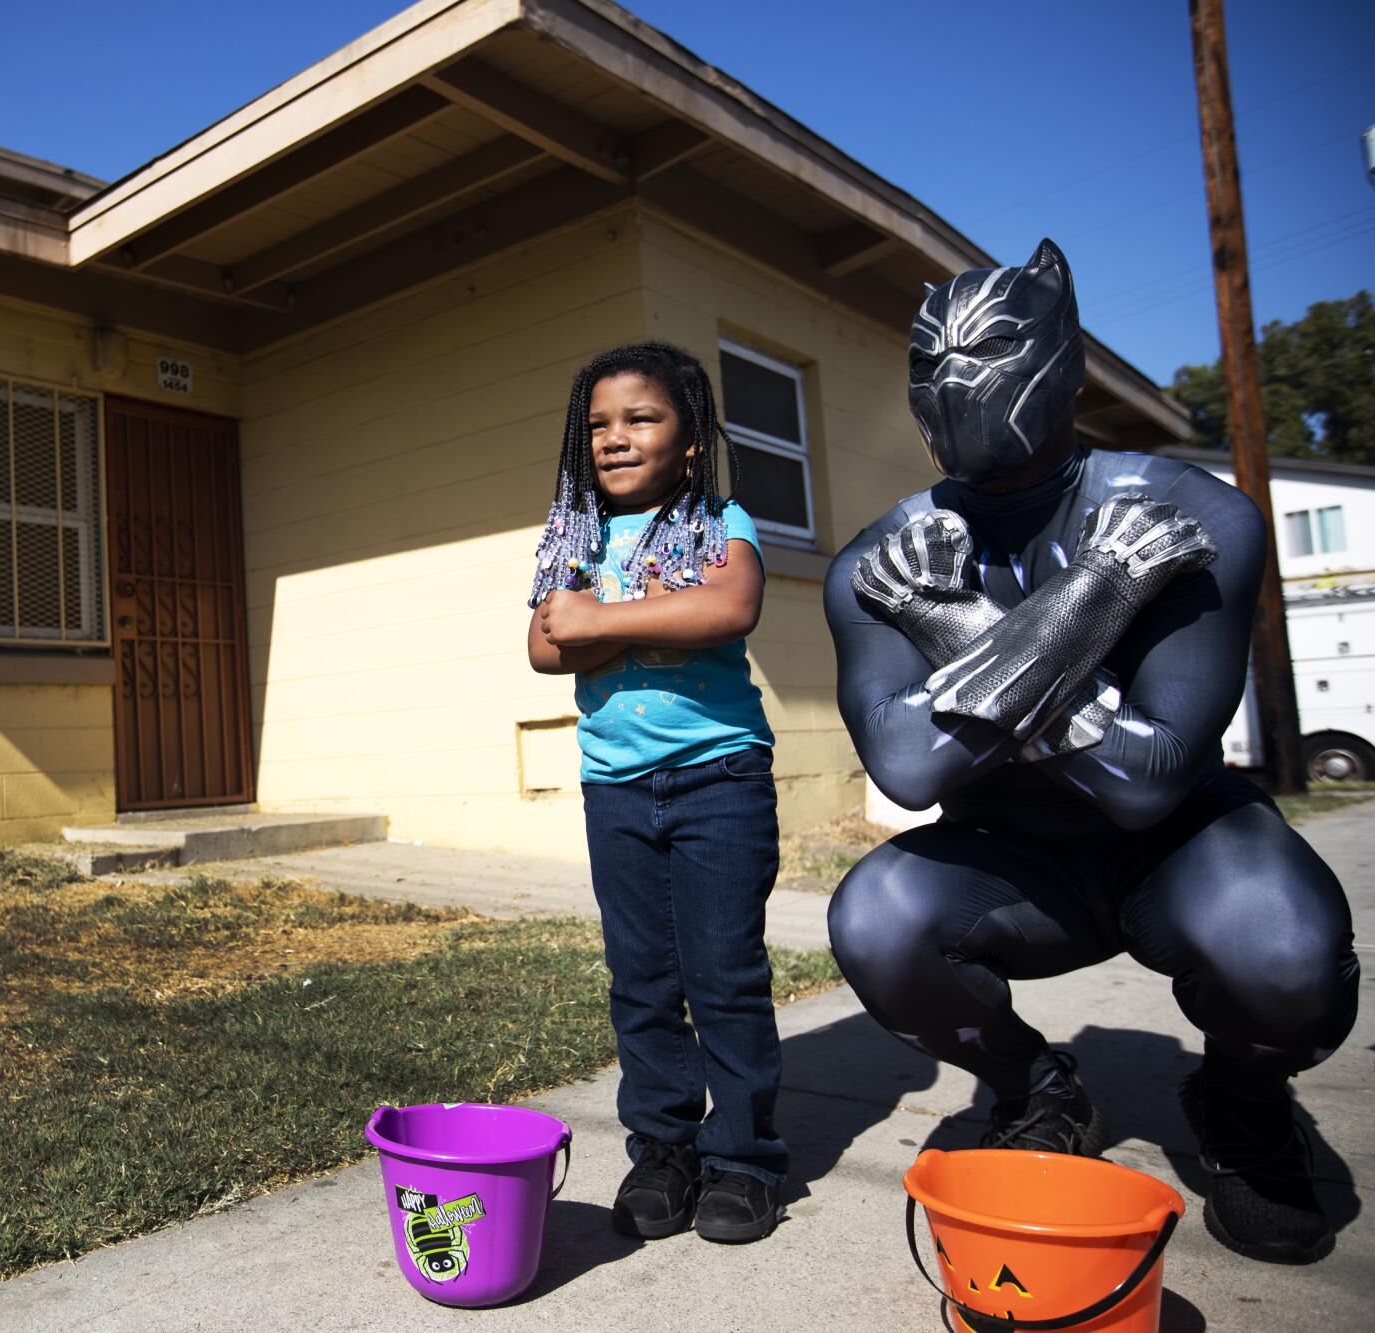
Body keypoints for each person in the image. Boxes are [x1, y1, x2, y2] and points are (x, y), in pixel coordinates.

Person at [824, 238, 1359, 1264]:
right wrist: (1097, 593)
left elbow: (1141, 780)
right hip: (1010, 855)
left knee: (1286, 953)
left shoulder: (1188, 514)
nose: (951, 384)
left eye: (982, 352)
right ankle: (1032, 1083)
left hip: (1181, 839)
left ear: (1062, 361)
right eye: (927, 362)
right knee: (876, 917)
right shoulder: (881, 560)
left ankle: (1242, 1102)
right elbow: (908, 770)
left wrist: (949, 629)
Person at [526, 340, 786, 1243]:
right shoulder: (575, 533)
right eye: (598, 423)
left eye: (641, 418)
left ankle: (744, 1159)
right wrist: (628, 617)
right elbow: (543, 645)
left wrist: (598, 619)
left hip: (720, 779)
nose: (614, 438)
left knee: (724, 975)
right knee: (641, 979)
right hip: (618, 790)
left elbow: (727, 608)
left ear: (689, 438)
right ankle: (665, 1150)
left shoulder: (721, 519)